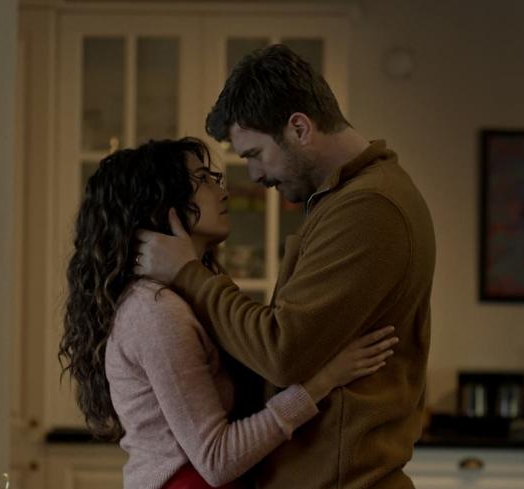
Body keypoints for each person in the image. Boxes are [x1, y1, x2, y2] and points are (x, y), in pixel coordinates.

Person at [134, 46, 436, 489]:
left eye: (255, 154)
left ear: (299, 128)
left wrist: (188, 273)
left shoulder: (368, 207)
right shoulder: (345, 200)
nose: (254, 175)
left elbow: (281, 352)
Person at [60, 137, 400, 489]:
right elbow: (216, 459)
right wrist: (322, 382)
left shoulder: (182, 296)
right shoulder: (155, 311)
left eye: (215, 178)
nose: (222, 192)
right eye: (203, 180)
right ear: (161, 205)